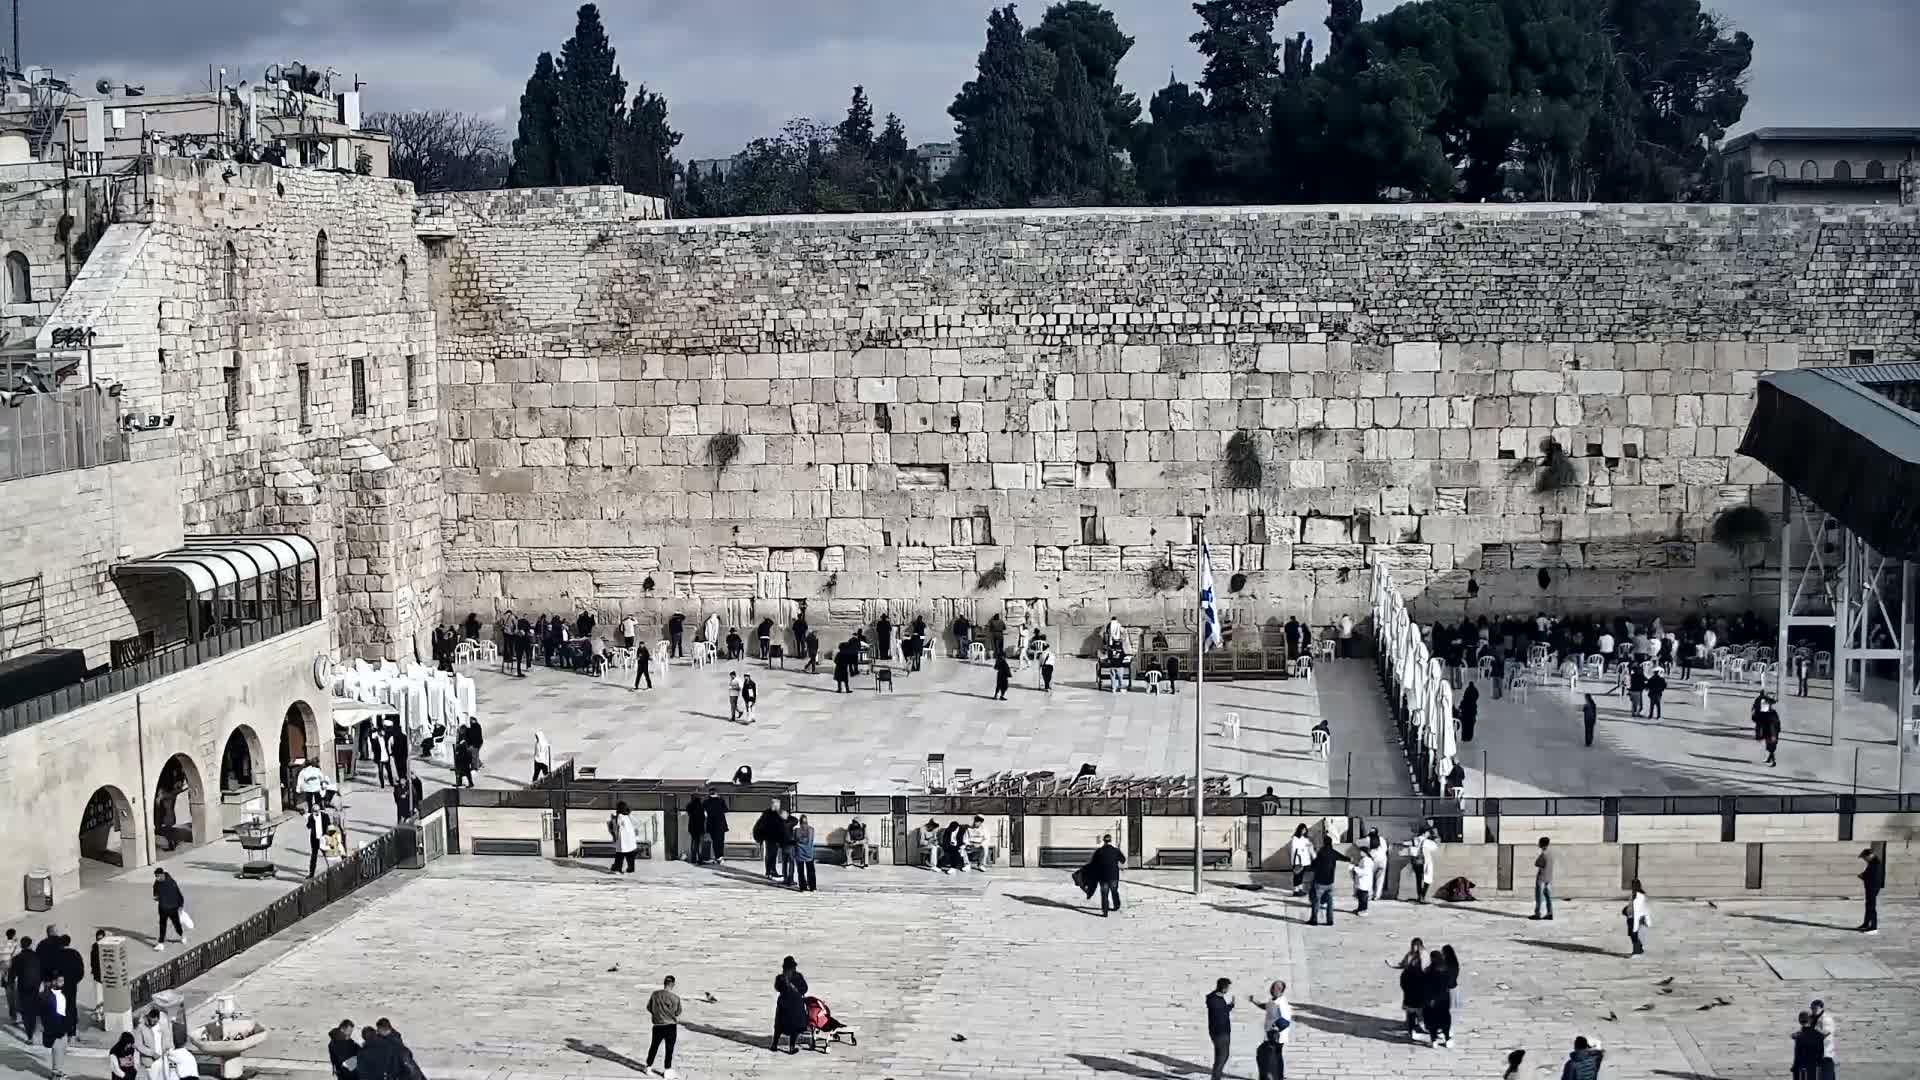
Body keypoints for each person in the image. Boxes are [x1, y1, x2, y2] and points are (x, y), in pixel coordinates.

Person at [1248, 979, 1292, 1075]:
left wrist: (1276, 1027)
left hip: (1276, 1035)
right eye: (1273, 987)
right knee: (1277, 1056)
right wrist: (1254, 1001)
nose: (1274, 989)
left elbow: (1286, 1020)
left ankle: (1271, 1075)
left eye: (1277, 988)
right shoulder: (1273, 1000)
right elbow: (1266, 1006)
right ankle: (1278, 1075)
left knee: (1267, 1054)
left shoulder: (1282, 1003)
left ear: (1281, 990)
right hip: (1271, 1033)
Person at [1306, 835, 1349, 925]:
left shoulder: (1321, 853)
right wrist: (1350, 859)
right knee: (1330, 903)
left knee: (1316, 901)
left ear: (1324, 843)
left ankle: (1314, 920)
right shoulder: (1333, 852)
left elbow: (1314, 865)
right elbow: (1344, 858)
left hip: (1320, 882)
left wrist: (1309, 867)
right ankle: (1330, 921)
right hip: (1330, 882)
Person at [645, 975, 682, 1078]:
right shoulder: (675, 998)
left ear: (664, 983)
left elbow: (649, 1007)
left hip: (657, 1025)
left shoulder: (655, 994)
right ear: (673, 984)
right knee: (669, 1048)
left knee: (654, 1046)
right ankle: (667, 1070)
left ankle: (648, 1067)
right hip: (670, 1026)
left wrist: (657, 1014)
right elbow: (678, 1012)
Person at [771, 957, 809, 1054]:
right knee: (794, 1027)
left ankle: (774, 1045)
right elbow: (804, 989)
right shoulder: (798, 976)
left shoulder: (780, 978)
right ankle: (791, 1048)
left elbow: (777, 988)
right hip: (795, 1005)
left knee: (779, 1026)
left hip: (783, 1005)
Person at [1085, 833, 1125, 916]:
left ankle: (1105, 911)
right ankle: (1116, 906)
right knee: (1114, 891)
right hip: (1114, 875)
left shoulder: (1099, 851)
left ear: (1104, 841)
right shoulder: (1115, 850)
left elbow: (1093, 863)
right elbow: (1123, 860)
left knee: (1104, 893)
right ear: (1110, 840)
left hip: (1102, 876)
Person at [1422, 949, 1453, 1048]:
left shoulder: (1429, 971)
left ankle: (1433, 1040)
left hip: (1432, 1000)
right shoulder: (1446, 969)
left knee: (1432, 1020)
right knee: (1445, 1019)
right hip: (1444, 998)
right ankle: (1447, 1039)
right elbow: (1450, 984)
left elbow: (1426, 986)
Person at [1204, 977, 1234, 1080]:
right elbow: (1220, 1012)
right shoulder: (1213, 999)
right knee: (1221, 1057)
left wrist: (1230, 1006)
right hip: (1219, 1033)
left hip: (1224, 1031)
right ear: (1223, 988)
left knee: (1223, 1056)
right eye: (1227, 987)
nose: (1228, 990)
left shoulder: (1218, 998)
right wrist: (1228, 1007)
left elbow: (1223, 1011)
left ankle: (1216, 1076)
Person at [153, 869, 187, 951]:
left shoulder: (171, 882)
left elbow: (178, 893)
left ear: (162, 875)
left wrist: (181, 905)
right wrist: (156, 897)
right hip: (162, 908)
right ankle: (161, 943)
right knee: (162, 925)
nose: (156, 878)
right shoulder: (156, 883)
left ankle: (182, 935)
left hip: (172, 908)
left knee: (176, 924)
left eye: (157, 876)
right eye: (155, 876)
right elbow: (155, 893)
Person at [754, 800, 788, 881]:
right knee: (770, 855)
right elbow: (763, 825)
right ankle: (769, 872)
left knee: (773, 855)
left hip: (775, 838)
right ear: (775, 805)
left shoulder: (776, 813)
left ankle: (772, 871)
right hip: (770, 838)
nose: (779, 806)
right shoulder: (768, 813)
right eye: (778, 805)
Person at [1399, 946, 1427, 1040]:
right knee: (1418, 1013)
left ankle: (1412, 1030)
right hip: (1418, 998)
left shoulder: (1407, 971)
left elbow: (1402, 983)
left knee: (1411, 1014)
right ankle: (1417, 1027)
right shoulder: (1424, 971)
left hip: (1410, 997)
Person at [40, 974, 66, 1076]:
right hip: (54, 1026)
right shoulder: (46, 996)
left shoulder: (61, 994)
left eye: (62, 981)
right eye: (60, 981)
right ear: (53, 982)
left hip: (61, 1024)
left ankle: (57, 1071)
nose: (62, 983)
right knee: (58, 1048)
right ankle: (56, 1073)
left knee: (62, 1047)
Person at [134, 1008, 168, 1080]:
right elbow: (138, 1045)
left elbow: (166, 1040)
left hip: (162, 1061)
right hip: (149, 1063)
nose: (154, 1020)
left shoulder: (161, 1026)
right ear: (148, 1016)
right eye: (152, 1017)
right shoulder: (141, 1027)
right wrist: (152, 1054)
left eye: (156, 1018)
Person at [1792, 1011, 1825, 1080]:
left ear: (1800, 1021)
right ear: (1810, 1020)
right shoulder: (1819, 1035)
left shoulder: (1799, 1037)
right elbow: (1821, 1053)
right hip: (1815, 1067)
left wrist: (1794, 1067)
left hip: (1803, 1068)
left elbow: (1798, 1055)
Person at [609, 801, 640, 874]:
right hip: (627, 840)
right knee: (627, 855)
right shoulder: (624, 816)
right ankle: (626, 868)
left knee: (621, 855)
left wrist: (629, 814)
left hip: (625, 840)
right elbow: (636, 823)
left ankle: (620, 869)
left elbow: (618, 824)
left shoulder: (622, 816)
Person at [1411, 826, 1440, 903]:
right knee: (1428, 879)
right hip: (1425, 863)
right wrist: (1435, 835)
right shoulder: (1427, 842)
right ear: (1425, 833)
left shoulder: (1415, 839)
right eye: (1428, 832)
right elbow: (1436, 846)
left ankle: (1419, 896)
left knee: (1418, 880)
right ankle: (1422, 896)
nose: (1429, 834)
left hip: (1416, 862)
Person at [1859, 848, 1884, 933]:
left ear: (1870, 856)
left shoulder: (1875, 864)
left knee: (1872, 907)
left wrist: (1863, 876)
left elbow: (1874, 878)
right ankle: (1866, 924)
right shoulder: (1872, 863)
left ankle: (1873, 928)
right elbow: (1870, 875)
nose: (1864, 860)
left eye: (1864, 858)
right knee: (1868, 906)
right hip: (1870, 887)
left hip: (1872, 888)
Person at [1810, 999, 1836, 1080]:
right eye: (1812, 1008)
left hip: (1825, 1053)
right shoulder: (1815, 1018)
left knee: (1826, 1075)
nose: (1813, 1010)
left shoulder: (1826, 1019)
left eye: (1815, 1008)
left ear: (1821, 1008)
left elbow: (1825, 1033)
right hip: (1818, 1054)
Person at [1624, 878, 1650, 955]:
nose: (1633, 887)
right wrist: (1626, 910)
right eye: (1633, 885)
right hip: (1630, 917)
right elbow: (1631, 905)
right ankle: (1639, 948)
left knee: (1634, 934)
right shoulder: (1633, 894)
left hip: (1636, 918)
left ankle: (1636, 950)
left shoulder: (1641, 895)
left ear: (1639, 886)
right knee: (1632, 935)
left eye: (1635, 885)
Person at [792, 814, 819, 892]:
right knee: (811, 871)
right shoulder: (811, 830)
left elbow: (794, 840)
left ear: (800, 822)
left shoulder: (796, 831)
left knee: (800, 871)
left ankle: (803, 887)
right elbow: (811, 841)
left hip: (799, 853)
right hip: (809, 853)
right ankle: (812, 886)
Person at [306, 807, 335, 878]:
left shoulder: (325, 816)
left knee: (327, 855)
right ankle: (311, 873)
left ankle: (331, 870)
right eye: (314, 811)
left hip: (323, 838)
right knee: (314, 856)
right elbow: (308, 826)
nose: (316, 812)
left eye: (316, 811)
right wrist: (312, 819)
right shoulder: (311, 817)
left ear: (319, 810)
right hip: (315, 839)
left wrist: (332, 838)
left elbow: (330, 825)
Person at [1531, 837, 1554, 920]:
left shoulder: (1543, 854)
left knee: (1539, 897)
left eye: (1539, 842)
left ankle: (1538, 914)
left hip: (1542, 878)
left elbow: (1536, 863)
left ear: (1542, 844)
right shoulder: (1551, 853)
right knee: (1548, 897)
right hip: (1549, 878)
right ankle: (1550, 913)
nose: (1538, 844)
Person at [704, 789, 729, 864]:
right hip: (721, 825)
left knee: (715, 842)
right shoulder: (721, 801)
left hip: (711, 825)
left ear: (709, 793)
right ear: (716, 793)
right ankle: (720, 857)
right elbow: (726, 809)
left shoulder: (706, 802)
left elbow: (704, 810)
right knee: (720, 841)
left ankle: (717, 856)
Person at [1287, 825, 1314, 896]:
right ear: (1299, 830)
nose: (1304, 831)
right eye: (1302, 830)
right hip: (1298, 860)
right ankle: (1296, 890)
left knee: (1301, 875)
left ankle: (1300, 889)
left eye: (1305, 830)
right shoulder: (1295, 839)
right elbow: (1294, 850)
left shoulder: (1305, 839)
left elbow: (1309, 848)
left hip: (1304, 860)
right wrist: (1295, 861)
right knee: (1297, 875)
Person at [1351, 844, 1375, 915]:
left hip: (1364, 881)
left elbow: (1364, 871)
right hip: (1362, 881)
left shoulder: (1367, 860)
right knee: (1360, 896)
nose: (1360, 853)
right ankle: (1360, 909)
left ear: (1365, 852)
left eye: (1361, 851)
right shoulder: (1364, 859)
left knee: (1363, 897)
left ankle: (1364, 910)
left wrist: (1355, 868)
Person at [684, 794, 707, 864]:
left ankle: (693, 859)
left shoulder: (690, 805)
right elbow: (703, 817)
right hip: (699, 828)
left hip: (692, 828)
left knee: (694, 843)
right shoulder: (701, 806)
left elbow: (688, 812)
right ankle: (700, 859)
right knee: (699, 844)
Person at [1761, 702, 1782, 767]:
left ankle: (1773, 761)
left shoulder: (1772, 714)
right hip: (1769, 733)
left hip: (1772, 733)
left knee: (1771, 747)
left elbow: (1773, 725)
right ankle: (1769, 759)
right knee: (1769, 747)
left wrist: (1773, 735)